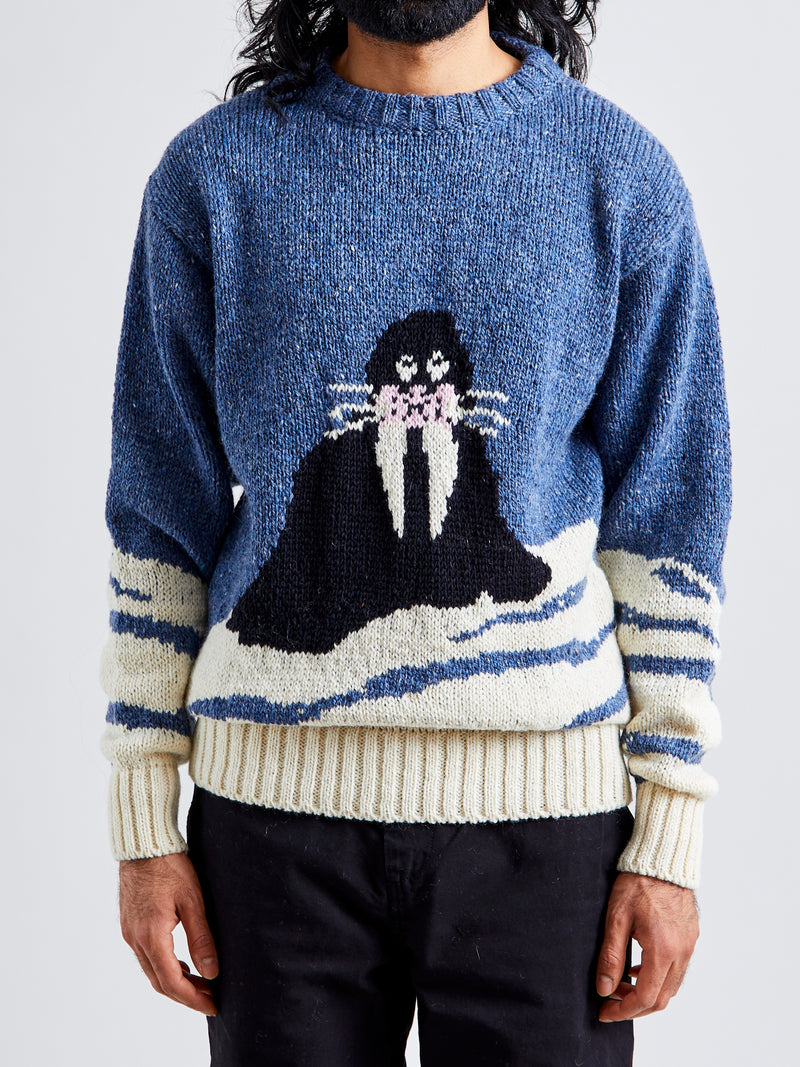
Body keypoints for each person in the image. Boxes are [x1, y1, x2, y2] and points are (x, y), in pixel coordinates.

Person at [98, 2, 732, 1063]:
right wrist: (142, 819)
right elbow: (160, 506)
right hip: (269, 826)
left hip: (549, 829)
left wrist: (668, 831)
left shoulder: (619, 175)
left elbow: (672, 513)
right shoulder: (212, 177)